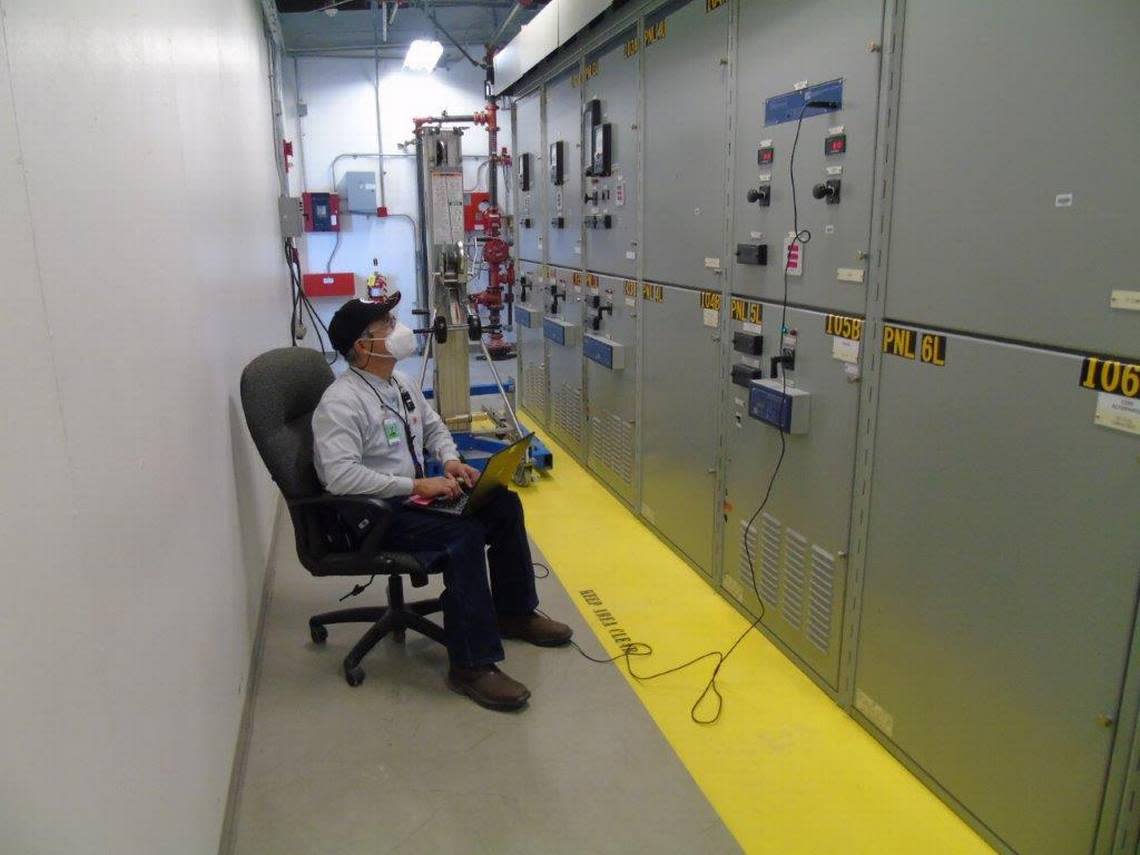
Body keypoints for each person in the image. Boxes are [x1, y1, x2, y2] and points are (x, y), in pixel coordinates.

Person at [311, 295, 572, 711]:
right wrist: (416, 483)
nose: (397, 329)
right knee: (462, 537)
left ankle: (514, 612)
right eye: (385, 324)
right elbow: (340, 477)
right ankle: (470, 665)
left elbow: (433, 428)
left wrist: (451, 461)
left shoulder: (400, 383)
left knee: (501, 504)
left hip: (409, 496)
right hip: (372, 514)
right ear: (363, 346)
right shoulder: (341, 404)